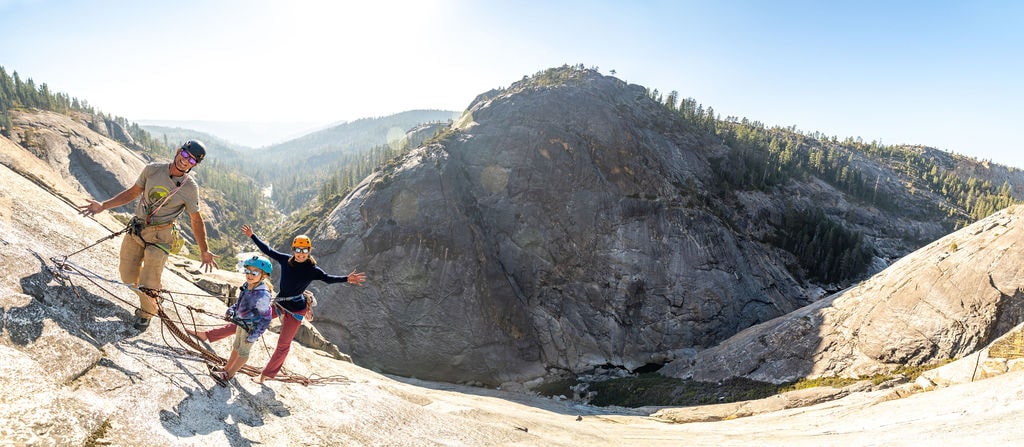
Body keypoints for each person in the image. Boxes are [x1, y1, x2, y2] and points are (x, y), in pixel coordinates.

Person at [188, 224, 366, 384]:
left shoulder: (312, 270)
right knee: (244, 321)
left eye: (304, 250)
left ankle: (265, 376)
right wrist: (252, 236)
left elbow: (327, 279)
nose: (300, 253)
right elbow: (268, 250)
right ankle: (208, 335)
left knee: (283, 345)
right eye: (298, 249)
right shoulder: (286, 260)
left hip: (296, 310)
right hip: (280, 303)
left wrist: (347, 279)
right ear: (294, 249)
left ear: (309, 251)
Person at [79, 140, 219, 331]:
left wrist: (204, 250)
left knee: (150, 279)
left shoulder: (189, 188)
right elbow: (132, 193)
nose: (185, 162)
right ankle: (151, 298)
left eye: (191, 161)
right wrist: (103, 205)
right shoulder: (153, 170)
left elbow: (196, 220)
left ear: (194, 166)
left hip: (161, 236)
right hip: (138, 228)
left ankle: (146, 313)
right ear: (179, 151)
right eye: (185, 155)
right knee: (127, 276)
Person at [210, 255, 274, 386]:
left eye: (254, 272)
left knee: (243, 352)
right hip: (242, 323)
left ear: (263, 276)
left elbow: (266, 318)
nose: (249, 275)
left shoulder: (262, 294)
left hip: (251, 329)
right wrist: (232, 310)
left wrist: (255, 334)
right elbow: (240, 303)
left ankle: (229, 374)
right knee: (236, 347)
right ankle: (226, 368)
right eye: (248, 271)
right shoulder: (247, 285)